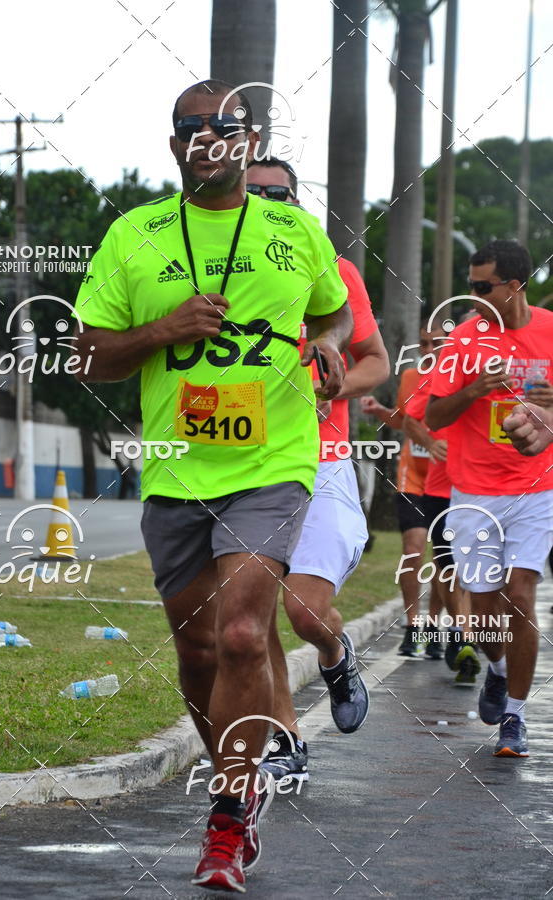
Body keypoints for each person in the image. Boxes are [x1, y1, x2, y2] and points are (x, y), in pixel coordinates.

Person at [74, 80, 352, 893]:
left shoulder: (295, 231)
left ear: (248, 135)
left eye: (224, 126)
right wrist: (165, 330)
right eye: (191, 128)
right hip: (175, 466)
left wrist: (330, 349)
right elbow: (90, 356)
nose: (209, 138)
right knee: (197, 652)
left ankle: (229, 817)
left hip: (274, 465)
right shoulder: (135, 236)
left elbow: (333, 315)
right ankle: (243, 773)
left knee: (239, 635)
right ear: (174, 147)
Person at [245, 157, 390, 782]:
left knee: (304, 613)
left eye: (280, 193)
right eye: (255, 194)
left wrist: (332, 389)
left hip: (323, 461)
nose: (268, 201)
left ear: (297, 200)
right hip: (244, 465)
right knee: (249, 615)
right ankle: (285, 739)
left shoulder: (332, 269)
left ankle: (335, 654)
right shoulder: (209, 269)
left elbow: (376, 362)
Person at [426, 239, 553, 757]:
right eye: (470, 287)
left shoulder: (549, 329)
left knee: (521, 595)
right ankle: (497, 671)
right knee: (482, 614)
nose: (474, 297)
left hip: (536, 487)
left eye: (483, 288)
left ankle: (515, 720)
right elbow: (432, 417)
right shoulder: (463, 340)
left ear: (515, 285)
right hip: (474, 491)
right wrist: (475, 389)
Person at [360, 320, 444, 657]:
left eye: (435, 343)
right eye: (423, 343)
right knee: (413, 548)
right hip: (413, 476)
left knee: (443, 557)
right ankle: (412, 625)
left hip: (449, 478)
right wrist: (382, 412)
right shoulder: (411, 377)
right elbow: (404, 418)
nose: (427, 350)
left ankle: (435, 625)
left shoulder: (461, 380)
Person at [404, 363, 477, 683]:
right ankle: (462, 633)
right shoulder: (441, 377)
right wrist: (432, 443)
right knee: (447, 564)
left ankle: (464, 633)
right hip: (441, 487)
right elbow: (410, 420)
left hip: (484, 487)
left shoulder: (505, 375)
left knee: (473, 566)